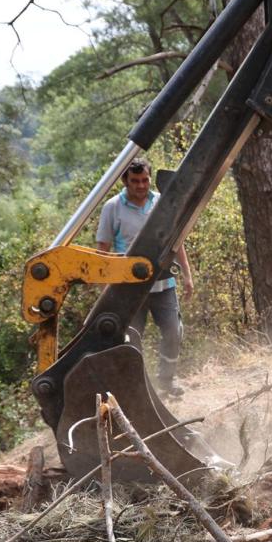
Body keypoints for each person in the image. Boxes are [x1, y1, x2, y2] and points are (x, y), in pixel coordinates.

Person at [95, 159, 194, 393]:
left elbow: (176, 242)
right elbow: (103, 249)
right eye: (135, 181)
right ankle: (139, 388)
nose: (141, 185)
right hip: (127, 288)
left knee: (173, 331)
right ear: (125, 181)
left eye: (145, 180)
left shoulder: (161, 203)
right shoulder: (112, 207)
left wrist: (188, 275)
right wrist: (104, 288)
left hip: (163, 284)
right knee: (131, 339)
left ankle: (167, 380)